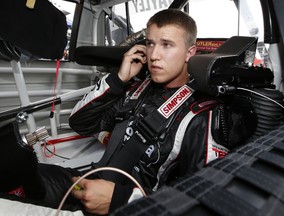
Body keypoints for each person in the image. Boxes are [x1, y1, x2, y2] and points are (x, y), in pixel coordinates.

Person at [0, 9, 255, 216]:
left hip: (135, 205)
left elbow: (201, 203)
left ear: (190, 52)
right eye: (151, 44)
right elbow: (80, 122)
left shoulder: (201, 115)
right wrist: (120, 78)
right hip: (88, 178)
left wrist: (119, 200)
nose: (154, 55)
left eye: (167, 45)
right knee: (11, 171)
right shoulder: (137, 89)